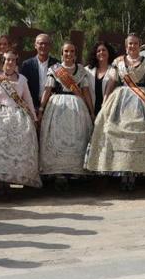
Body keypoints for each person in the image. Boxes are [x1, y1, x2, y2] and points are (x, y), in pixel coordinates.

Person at [84, 33, 145, 190]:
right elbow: (112, 82)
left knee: (141, 134)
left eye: (135, 43)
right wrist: (105, 100)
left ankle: (134, 175)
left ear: (140, 45)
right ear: (126, 46)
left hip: (143, 101)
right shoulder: (118, 62)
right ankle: (123, 175)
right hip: (120, 100)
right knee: (118, 133)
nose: (132, 46)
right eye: (130, 44)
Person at [0, 49, 40, 191]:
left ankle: (14, 177)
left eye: (12, 60)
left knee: (17, 148)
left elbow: (27, 100)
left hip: (18, 117)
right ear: (3, 62)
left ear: (16, 61)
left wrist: (34, 118)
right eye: (7, 60)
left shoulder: (22, 79)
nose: (9, 62)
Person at [39, 41, 95, 189]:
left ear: (75, 54)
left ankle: (74, 174)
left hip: (78, 108)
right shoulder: (54, 69)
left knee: (77, 139)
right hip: (57, 107)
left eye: (71, 51)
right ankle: (57, 174)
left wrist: (91, 110)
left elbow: (86, 92)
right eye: (66, 51)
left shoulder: (81, 71)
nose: (68, 54)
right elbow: (47, 89)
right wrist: (41, 108)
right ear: (61, 53)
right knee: (57, 138)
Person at [19, 33, 59, 113]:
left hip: (52, 106)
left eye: (46, 43)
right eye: (40, 43)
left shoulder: (57, 64)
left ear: (50, 46)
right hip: (32, 106)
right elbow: (23, 87)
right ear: (35, 45)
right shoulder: (27, 65)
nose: (43, 46)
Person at [87, 40, 116, 116]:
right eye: (98, 51)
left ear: (109, 53)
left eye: (104, 50)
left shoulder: (114, 70)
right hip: (90, 111)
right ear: (95, 54)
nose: (101, 52)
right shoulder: (87, 71)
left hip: (108, 110)